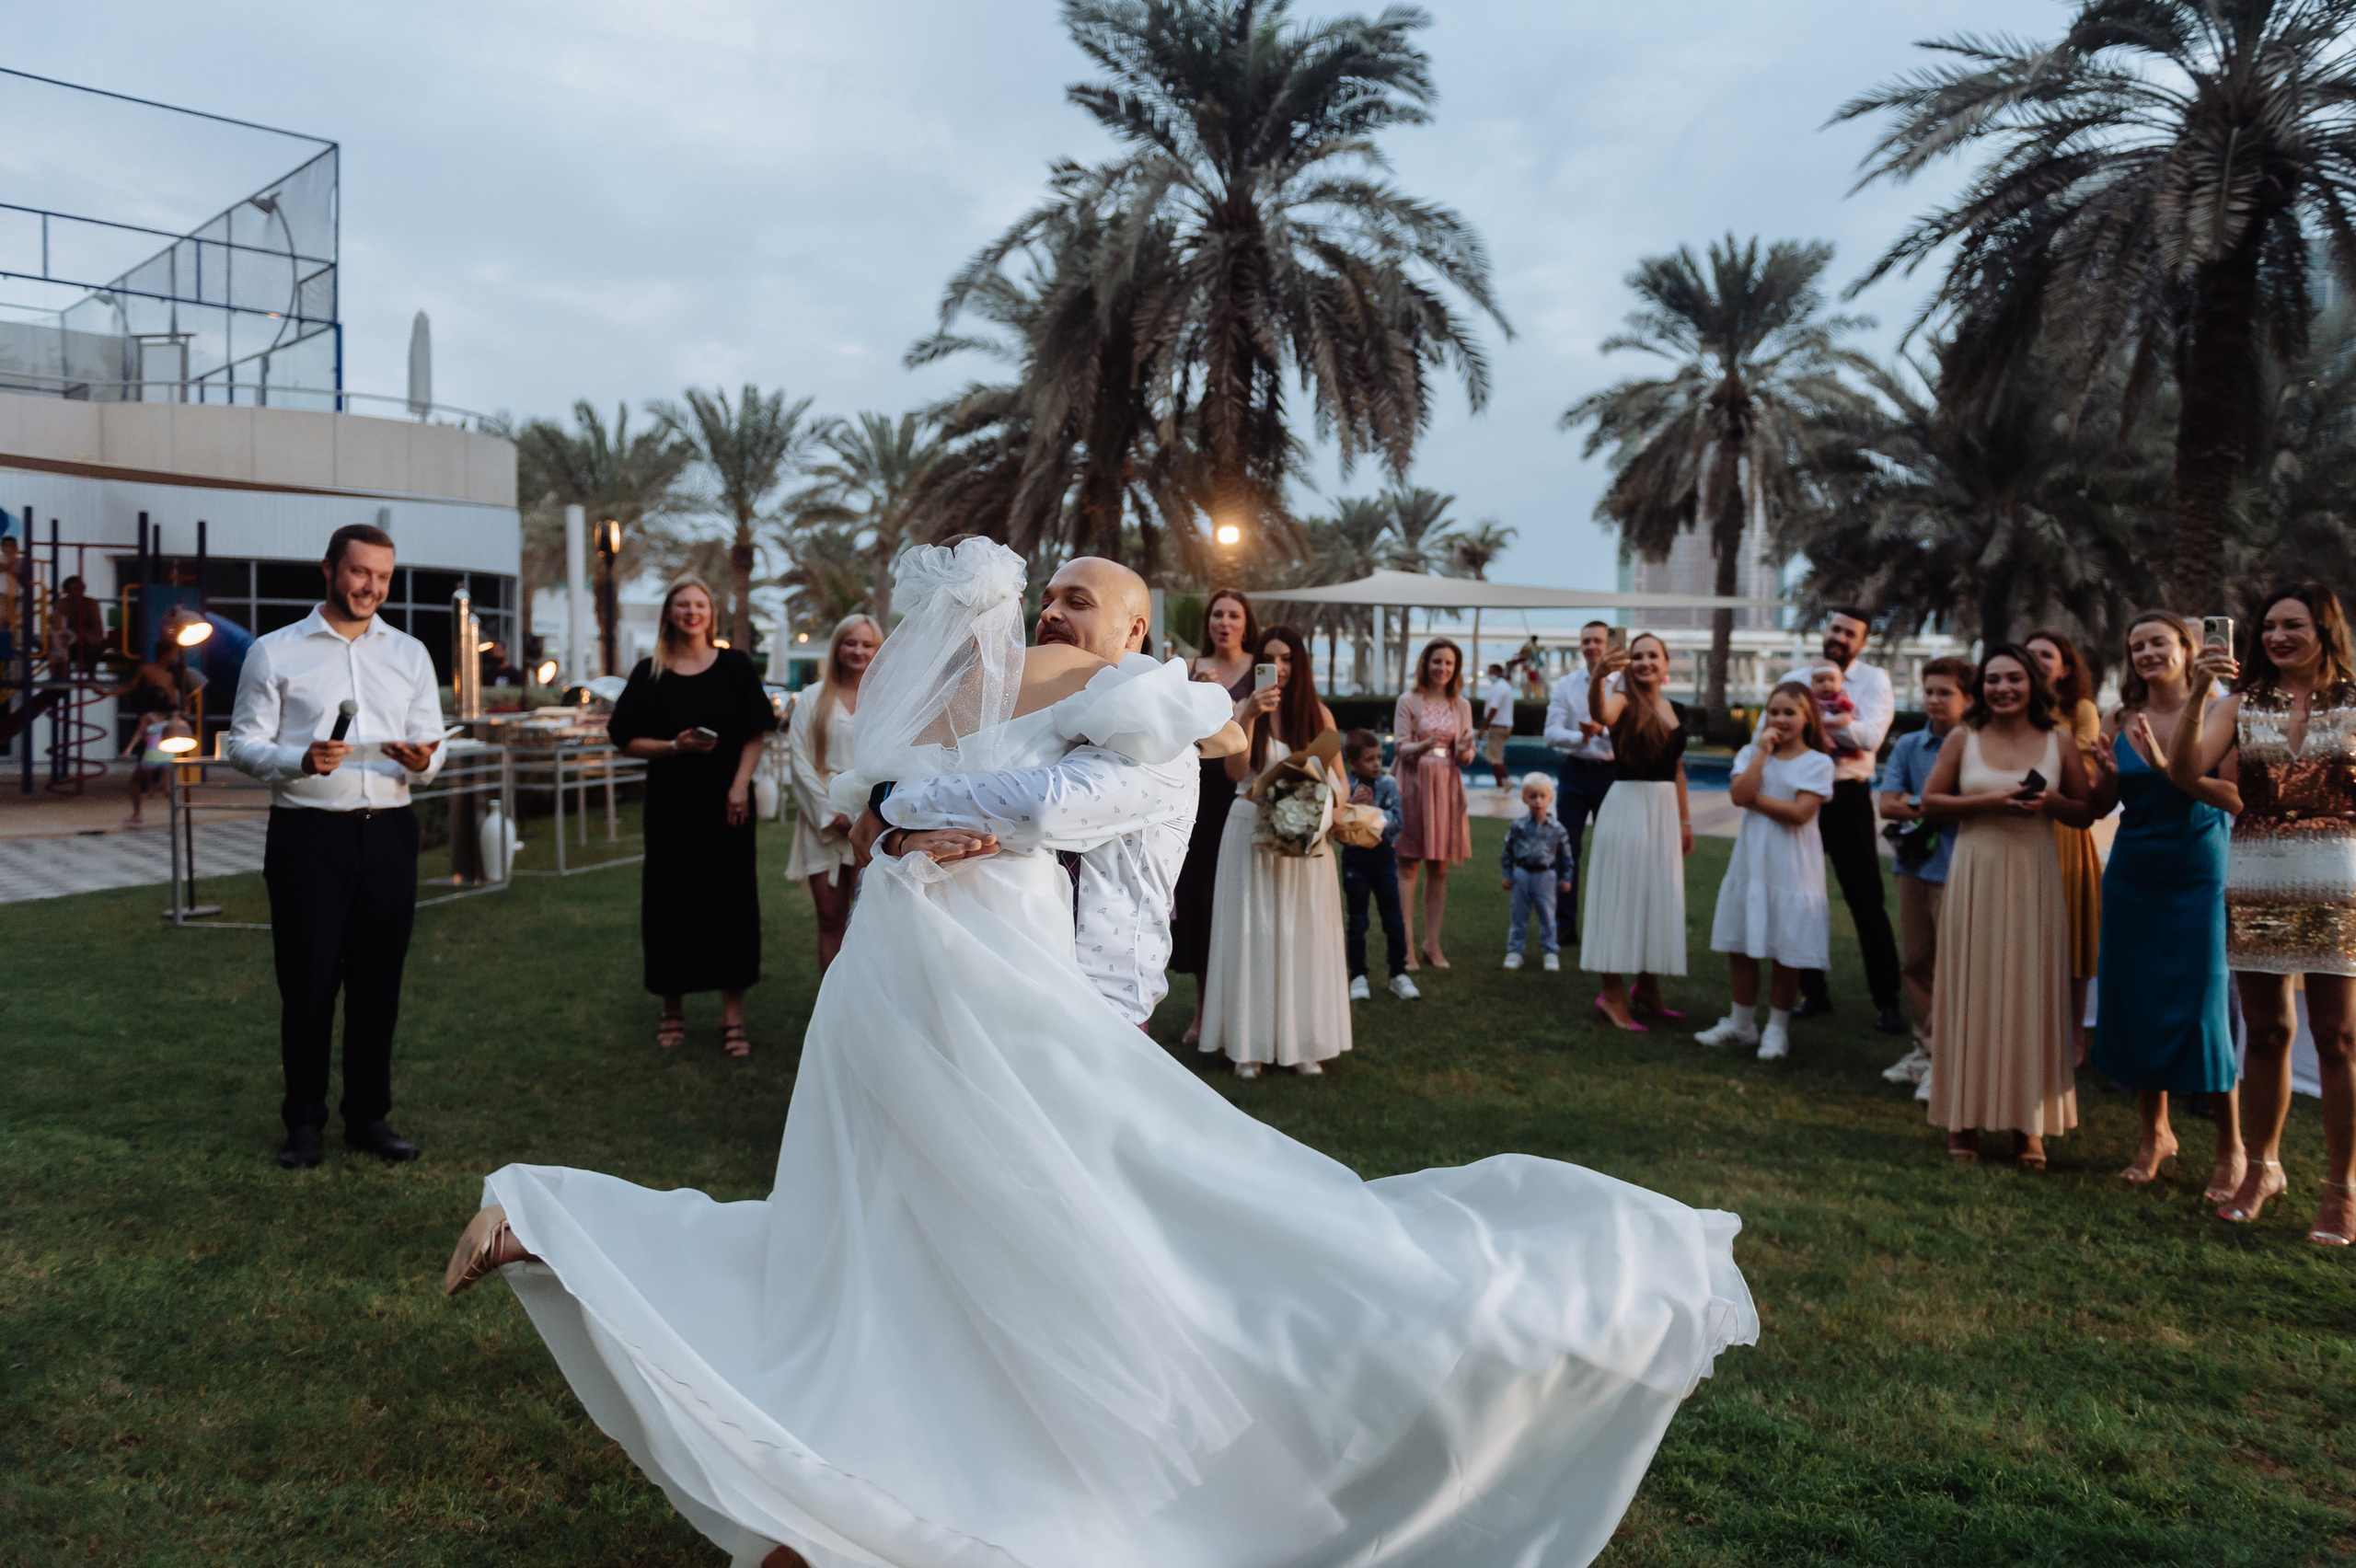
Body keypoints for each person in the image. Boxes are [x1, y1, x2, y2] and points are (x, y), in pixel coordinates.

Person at [442, 537, 1757, 1568]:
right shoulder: (1009, 688)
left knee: (1054, 1243)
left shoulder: (1153, 704)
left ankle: (802, 1456)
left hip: (1034, 996)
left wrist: (924, 810)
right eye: (1053, 590)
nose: (1060, 608)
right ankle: (806, 1476)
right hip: (920, 976)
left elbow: (1068, 808)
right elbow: (878, 789)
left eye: (1087, 598)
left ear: (1143, 629)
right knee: (864, 1234)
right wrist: (910, 810)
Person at [866, 556, 1246, 1028]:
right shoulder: (1036, 721)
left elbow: (1041, 809)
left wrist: (888, 800)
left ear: (1133, 632)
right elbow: (919, 824)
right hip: (980, 985)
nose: (1049, 613)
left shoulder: (1160, 738)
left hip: (1096, 1004)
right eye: (1045, 602)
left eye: (1077, 602)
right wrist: (897, 840)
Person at [224, 522, 445, 1170]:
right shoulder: (274, 652)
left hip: (391, 831)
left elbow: (434, 743)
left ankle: (369, 1119)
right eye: (359, 573)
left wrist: (423, 760)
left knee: (379, 984)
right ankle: (304, 1125)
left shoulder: (409, 654)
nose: (371, 587)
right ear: (329, 569)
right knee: (309, 983)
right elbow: (240, 745)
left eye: (382, 577)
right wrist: (299, 759)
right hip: (308, 838)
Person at [2168, 584, 2356, 1242]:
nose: (2277, 637)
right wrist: (2198, 693)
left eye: (2292, 626)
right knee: (2266, 1029)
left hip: (2339, 874)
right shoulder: (2242, 703)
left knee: (2336, 1038)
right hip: (2257, 872)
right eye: (2269, 626)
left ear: (2325, 631)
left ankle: (2342, 1190)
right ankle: (2263, 1168)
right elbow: (2185, 770)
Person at [1920, 645, 2099, 1169]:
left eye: (2014, 679)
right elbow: (1930, 804)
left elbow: (2085, 813)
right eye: (1994, 679)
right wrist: (1991, 802)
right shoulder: (1963, 737)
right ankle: (1962, 1121)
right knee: (1971, 991)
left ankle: (2029, 1128)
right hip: (1976, 874)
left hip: (2035, 877)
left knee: (2032, 993)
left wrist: (2052, 803)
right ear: (1982, 688)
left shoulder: (2058, 741)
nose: (2003, 688)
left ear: (2033, 685)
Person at [2085, 611, 2243, 1192]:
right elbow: (2103, 806)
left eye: (2158, 642)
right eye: (2137, 646)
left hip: (2199, 875)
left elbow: (2232, 796)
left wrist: (2167, 767)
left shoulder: (2224, 713)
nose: (2147, 653)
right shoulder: (2119, 717)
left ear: (2188, 647)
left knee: (2205, 1008)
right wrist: (2106, 774)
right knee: (2138, 1001)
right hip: (2133, 875)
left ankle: (2232, 1148)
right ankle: (2156, 1135)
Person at [608, 579, 777, 1056]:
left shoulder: (735, 667)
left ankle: (733, 1018)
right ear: (669, 613)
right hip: (671, 807)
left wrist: (740, 785)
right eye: (683, 604)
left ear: (711, 613)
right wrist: (673, 747)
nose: (691, 611)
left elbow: (755, 732)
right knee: (669, 904)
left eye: (700, 603)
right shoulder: (650, 672)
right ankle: (672, 1010)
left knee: (732, 904)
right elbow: (623, 737)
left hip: (728, 806)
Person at [1202, 622, 1348, 1075]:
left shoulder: (1318, 714)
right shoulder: (1245, 709)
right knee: (1253, 933)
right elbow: (1234, 772)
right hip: (1250, 832)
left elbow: (1340, 779)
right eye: (1271, 660)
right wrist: (1246, 716)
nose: (1280, 669)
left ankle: (1304, 1042)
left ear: (1300, 664)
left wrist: (1324, 808)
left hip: (1305, 836)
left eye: (1288, 660)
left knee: (1302, 933)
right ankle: (1249, 1044)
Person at [1774, 608, 1905, 1033]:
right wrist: (1832, 724)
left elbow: (1871, 737)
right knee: (1800, 892)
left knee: (1865, 897)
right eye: (1835, 629)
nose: (1840, 638)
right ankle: (1812, 991)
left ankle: (1887, 1001)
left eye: (1850, 633)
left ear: (1862, 643)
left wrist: (1812, 724)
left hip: (1847, 795)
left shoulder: (1873, 680)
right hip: (1802, 793)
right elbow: (1773, 729)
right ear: (1825, 631)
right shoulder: (1795, 678)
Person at [1696, 682, 1834, 1061]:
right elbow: (1739, 792)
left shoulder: (1818, 763)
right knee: (1741, 944)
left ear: (1807, 718)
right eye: (1774, 712)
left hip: (1792, 865)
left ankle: (1777, 1028)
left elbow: (1799, 814)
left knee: (1785, 948)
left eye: (1790, 712)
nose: (1781, 719)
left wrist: (1752, 799)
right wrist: (1762, 754)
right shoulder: (1750, 754)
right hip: (1752, 859)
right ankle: (1741, 1023)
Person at [1583, 631, 1693, 1031]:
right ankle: (1612, 996)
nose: (1645, 662)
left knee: (1658, 896)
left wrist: (1685, 820)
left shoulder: (1677, 709)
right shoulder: (1622, 700)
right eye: (1638, 656)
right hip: (1628, 807)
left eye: (1653, 655)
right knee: (1622, 897)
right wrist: (1598, 677)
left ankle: (1647, 989)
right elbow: (1602, 715)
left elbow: (1677, 769)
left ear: (1665, 663)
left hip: (1664, 812)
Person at [1874, 657, 1973, 1090]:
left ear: (1968, 698)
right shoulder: (1910, 745)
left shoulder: (1978, 746)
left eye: (1944, 692)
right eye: (1929, 691)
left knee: (1956, 964)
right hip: (1912, 866)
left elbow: (1975, 803)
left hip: (1959, 866)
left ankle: (1951, 1059)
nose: (1933, 700)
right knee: (1916, 960)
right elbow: (1886, 804)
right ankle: (1925, 1049)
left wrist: (1918, 802)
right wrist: (1933, 802)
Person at [1172, 587, 1259, 1043]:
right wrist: (1192, 694)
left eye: (1234, 615)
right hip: (1197, 794)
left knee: (1238, 899)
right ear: (1207, 622)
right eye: (1218, 615)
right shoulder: (1188, 672)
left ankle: (1244, 1006)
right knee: (1199, 900)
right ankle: (1203, 1011)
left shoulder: (1258, 673)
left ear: (1247, 624)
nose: (1224, 623)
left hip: (1240, 792)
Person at [2026, 628, 2106, 1065]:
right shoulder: (2013, 705)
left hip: (2063, 832)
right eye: (2029, 653)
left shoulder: (2081, 709)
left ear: (2066, 666)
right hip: (2017, 831)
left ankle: (2074, 1036)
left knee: (2071, 938)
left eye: (2045, 654)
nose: (2035, 660)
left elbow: (2086, 769)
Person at [784, 613, 882, 972]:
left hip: (874, 823)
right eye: (850, 642)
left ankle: (863, 1006)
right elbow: (799, 762)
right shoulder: (812, 699)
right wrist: (832, 813)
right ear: (837, 646)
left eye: (867, 644)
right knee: (830, 919)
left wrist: (866, 816)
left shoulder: (887, 700)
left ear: (879, 649)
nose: (858, 650)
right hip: (822, 823)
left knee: (870, 919)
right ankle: (830, 1008)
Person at [1393, 638, 1474, 969]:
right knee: (1409, 864)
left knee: (1439, 866)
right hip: (1413, 784)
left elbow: (1466, 755)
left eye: (1449, 663)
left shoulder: (1462, 706)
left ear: (1456, 669)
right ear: (1426, 663)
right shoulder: (1408, 701)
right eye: (1437, 661)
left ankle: (1433, 944)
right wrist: (1424, 745)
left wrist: (1467, 750)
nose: (1442, 668)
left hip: (1447, 787)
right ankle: (1406, 946)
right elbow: (1400, 748)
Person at [1543, 620, 1617, 944]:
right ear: (1580, 645)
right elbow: (1550, 733)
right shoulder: (1567, 684)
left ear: (1608, 644)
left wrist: (1601, 732)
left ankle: (1607, 924)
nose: (1592, 647)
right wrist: (1580, 736)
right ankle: (1565, 924)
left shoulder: (1623, 685)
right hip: (1574, 772)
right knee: (1567, 847)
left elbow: (1628, 733)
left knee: (1611, 849)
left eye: (1598, 641)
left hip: (1611, 774)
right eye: (1586, 641)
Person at [1339, 727, 1418, 1002]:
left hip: (1384, 859)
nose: (1376, 764)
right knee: (1357, 921)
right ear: (1353, 763)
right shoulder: (1345, 787)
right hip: (1355, 860)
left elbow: (1396, 824)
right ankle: (1358, 976)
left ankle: (1399, 973)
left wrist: (1372, 812)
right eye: (1369, 759)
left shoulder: (1388, 785)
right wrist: (1351, 805)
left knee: (1393, 919)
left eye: (1378, 757)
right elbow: (1339, 828)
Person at [117, 637, 200, 826]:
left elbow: (138, 734)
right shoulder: (173, 716)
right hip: (168, 754)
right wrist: (187, 704)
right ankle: (179, 817)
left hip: (150, 756)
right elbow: (185, 714)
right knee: (170, 788)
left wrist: (129, 749)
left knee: (134, 782)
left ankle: (137, 814)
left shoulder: (148, 717)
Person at [1499, 772, 1573, 972]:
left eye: (1542, 796)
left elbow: (1566, 857)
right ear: (1525, 798)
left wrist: (1566, 878)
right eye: (1533, 796)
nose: (1538, 801)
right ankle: (1515, 951)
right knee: (1518, 915)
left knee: (1547, 916)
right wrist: (1506, 874)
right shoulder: (1517, 827)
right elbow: (1507, 853)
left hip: (1546, 876)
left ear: (1550, 798)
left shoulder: (1558, 829)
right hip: (1521, 874)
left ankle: (1550, 952)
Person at [54, 574, 106, 675]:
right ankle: (62, 676)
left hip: (88, 638)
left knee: (93, 641)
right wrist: (71, 635)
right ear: (67, 590)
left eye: (80, 589)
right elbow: (58, 625)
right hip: (69, 637)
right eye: (74, 589)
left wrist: (84, 635)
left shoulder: (91, 603)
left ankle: (91, 673)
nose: (78, 592)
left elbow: (98, 627)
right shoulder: (61, 603)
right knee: (58, 641)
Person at [1481, 662, 1515, 789]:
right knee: (1493, 756)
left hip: (1498, 726)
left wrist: (1483, 727)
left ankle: (1507, 780)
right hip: (1502, 726)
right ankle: (1499, 785)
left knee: (1495, 758)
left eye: (1491, 672)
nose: (1489, 675)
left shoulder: (1499, 687)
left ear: (1498, 673)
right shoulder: (1503, 686)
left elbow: (1493, 708)